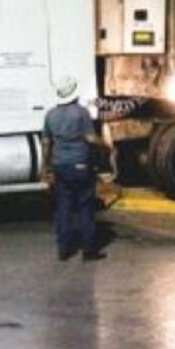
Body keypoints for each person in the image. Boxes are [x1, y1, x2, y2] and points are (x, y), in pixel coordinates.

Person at [43, 74, 110, 261]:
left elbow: (46, 143)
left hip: (60, 166)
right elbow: (90, 138)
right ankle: (89, 250)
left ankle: (63, 250)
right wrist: (107, 146)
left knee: (63, 207)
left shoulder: (50, 115)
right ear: (74, 93)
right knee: (85, 207)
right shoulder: (81, 113)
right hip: (81, 165)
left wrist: (46, 167)